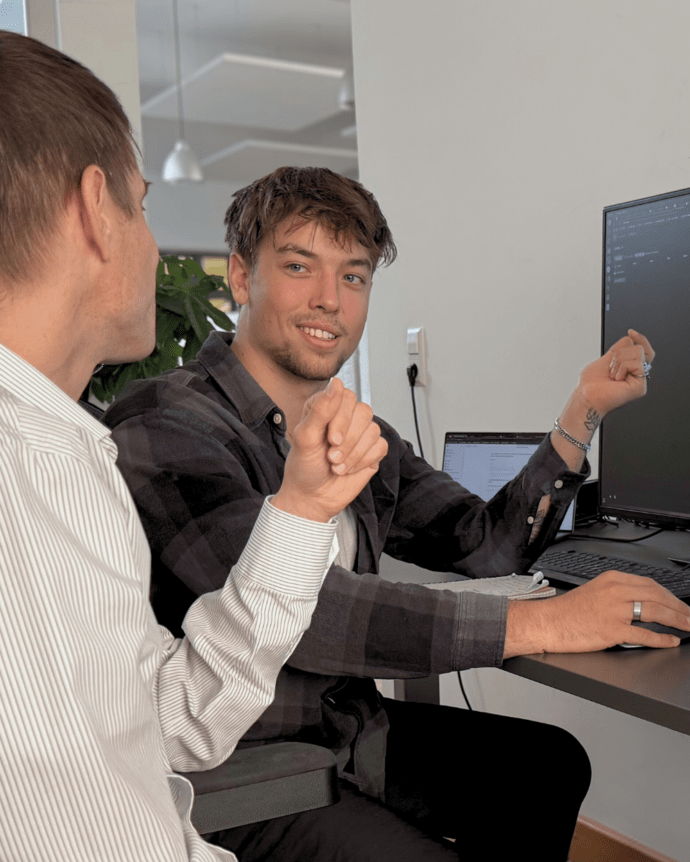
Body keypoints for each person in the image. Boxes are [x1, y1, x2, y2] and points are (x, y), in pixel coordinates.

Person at [105, 167, 690, 861]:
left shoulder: (361, 435)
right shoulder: (165, 423)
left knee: (547, 767)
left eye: (353, 277)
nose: (329, 300)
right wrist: (547, 620)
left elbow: (486, 549)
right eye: (299, 266)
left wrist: (578, 416)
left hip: (350, 735)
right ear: (239, 276)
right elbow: (302, 618)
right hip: (247, 772)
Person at [0, 36, 388, 862]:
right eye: (143, 208)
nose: (156, 248)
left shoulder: (70, 449)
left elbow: (165, 721)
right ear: (95, 209)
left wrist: (300, 510)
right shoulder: (87, 447)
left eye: (353, 276)